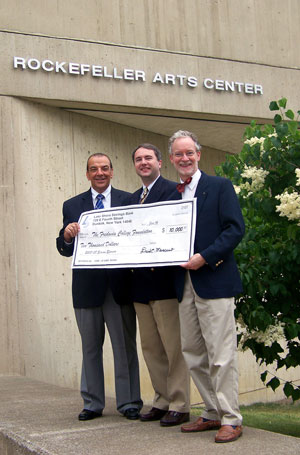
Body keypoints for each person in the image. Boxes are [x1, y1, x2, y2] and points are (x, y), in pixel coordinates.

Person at [168, 130, 245, 443]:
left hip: (213, 278)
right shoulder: (172, 195)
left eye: (189, 153)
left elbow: (234, 230)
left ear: (198, 154)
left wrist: (205, 257)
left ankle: (232, 418)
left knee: (221, 354)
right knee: (193, 354)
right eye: (178, 154)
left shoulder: (219, 186)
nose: (184, 159)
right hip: (182, 283)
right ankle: (212, 413)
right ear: (171, 159)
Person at [56, 153, 142, 421]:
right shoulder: (72, 205)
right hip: (87, 288)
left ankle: (129, 402)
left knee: (124, 347)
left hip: (120, 287)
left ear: (112, 172)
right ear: (87, 174)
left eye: (105, 168)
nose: (100, 173)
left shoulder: (129, 200)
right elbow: (63, 248)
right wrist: (67, 236)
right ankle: (92, 403)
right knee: (90, 348)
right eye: (94, 169)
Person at [130, 143, 190, 427]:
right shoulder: (131, 200)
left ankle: (180, 403)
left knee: (173, 347)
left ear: (160, 162)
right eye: (139, 159)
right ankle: (162, 400)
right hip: (140, 287)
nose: (144, 163)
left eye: (148, 158)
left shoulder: (173, 191)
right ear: (134, 165)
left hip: (165, 284)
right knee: (151, 348)